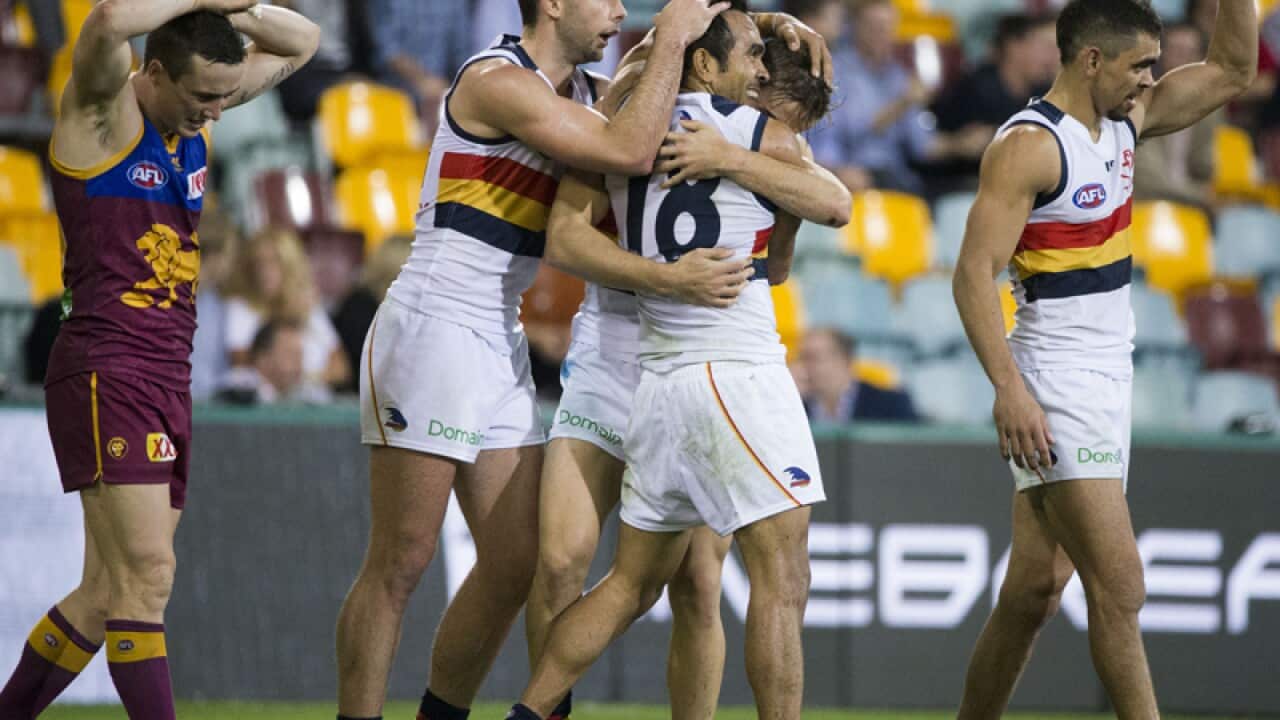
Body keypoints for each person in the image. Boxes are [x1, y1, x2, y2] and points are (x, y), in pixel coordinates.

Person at [332, 0, 832, 717]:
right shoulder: (497, 79)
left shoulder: (586, 98)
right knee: (403, 561)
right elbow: (635, 136)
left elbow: (672, 91)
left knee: (516, 563)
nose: (618, 11)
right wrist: (677, 35)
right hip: (439, 320)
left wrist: (767, 24)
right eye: (604, 0)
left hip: (506, 337)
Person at [506, 6, 850, 719]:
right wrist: (735, 165)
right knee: (781, 578)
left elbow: (776, 258)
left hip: (662, 371)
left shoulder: (629, 118)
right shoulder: (750, 130)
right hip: (718, 367)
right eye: (752, 56)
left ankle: (525, 713)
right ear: (705, 60)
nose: (760, 69)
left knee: (640, 583)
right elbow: (835, 205)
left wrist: (769, 22)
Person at [0, 3, 318, 719]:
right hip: (107, 366)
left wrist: (235, 11)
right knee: (149, 577)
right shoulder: (101, 117)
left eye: (223, 93)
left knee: (109, 592)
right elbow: (109, 19)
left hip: (167, 373)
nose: (217, 108)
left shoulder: (193, 113)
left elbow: (306, 41)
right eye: (204, 93)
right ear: (152, 73)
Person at [951, 1, 1257, 717]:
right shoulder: (1030, 145)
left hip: (1106, 376)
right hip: (1054, 380)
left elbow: (1232, 69)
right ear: (1091, 60)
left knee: (1033, 590)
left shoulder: (1124, 122)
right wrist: (1011, 390)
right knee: (1121, 589)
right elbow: (972, 272)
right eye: (1138, 66)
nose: (1149, 80)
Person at [806, 0, 989, 194]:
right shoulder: (835, 70)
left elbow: (922, 145)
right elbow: (845, 130)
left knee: (964, 192)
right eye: (874, 27)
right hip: (846, 174)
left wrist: (959, 143)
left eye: (887, 28)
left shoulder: (898, 76)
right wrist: (902, 103)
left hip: (894, 177)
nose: (881, 35)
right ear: (855, 27)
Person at [927, 12, 1060, 196]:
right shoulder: (974, 88)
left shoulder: (1045, 93)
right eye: (1045, 47)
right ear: (1015, 47)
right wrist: (961, 143)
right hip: (964, 189)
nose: (1052, 58)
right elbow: (929, 145)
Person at [221, 226, 349, 392]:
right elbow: (243, 362)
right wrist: (288, 317)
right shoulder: (240, 307)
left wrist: (305, 379)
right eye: (258, 262)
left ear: (290, 265)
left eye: (274, 262)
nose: (264, 271)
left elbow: (341, 369)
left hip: (312, 402)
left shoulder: (309, 309)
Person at [1132, 22, 1221, 209]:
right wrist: (1202, 197)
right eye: (1176, 51)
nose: (1183, 59)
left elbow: (1207, 169)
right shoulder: (1138, 104)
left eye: (1190, 53)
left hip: (1192, 209)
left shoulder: (1210, 110)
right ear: (1158, 57)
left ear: (1201, 59)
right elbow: (1148, 181)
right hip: (1145, 206)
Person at [799, 327, 918, 423]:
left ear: (845, 360)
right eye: (801, 358)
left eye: (812, 358)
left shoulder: (890, 405)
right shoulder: (797, 407)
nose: (803, 366)